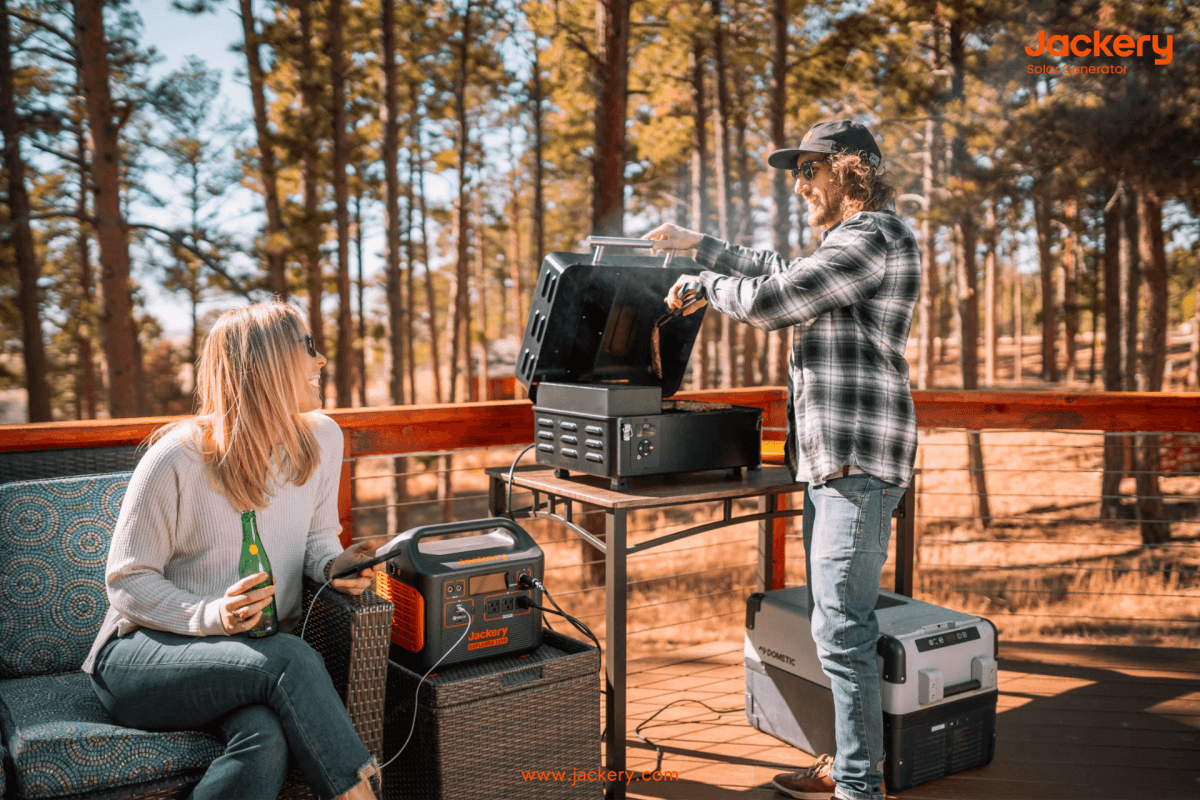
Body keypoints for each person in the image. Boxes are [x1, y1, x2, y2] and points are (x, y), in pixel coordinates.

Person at [645, 120, 919, 800]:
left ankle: (859, 787)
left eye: (810, 171)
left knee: (842, 630)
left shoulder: (874, 237)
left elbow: (775, 299)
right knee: (836, 626)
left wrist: (707, 284)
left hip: (856, 460)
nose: (799, 186)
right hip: (833, 463)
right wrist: (699, 247)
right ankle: (843, 764)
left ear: (849, 171)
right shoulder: (848, 243)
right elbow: (777, 270)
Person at [83, 300, 386, 800]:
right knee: (292, 659)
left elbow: (315, 537)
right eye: (308, 347)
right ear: (267, 364)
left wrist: (335, 566)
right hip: (139, 657)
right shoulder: (176, 458)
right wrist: (212, 614)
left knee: (264, 738)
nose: (321, 361)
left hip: (248, 660)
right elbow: (127, 582)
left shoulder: (322, 439)